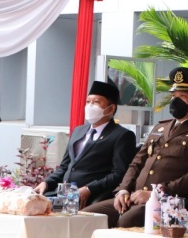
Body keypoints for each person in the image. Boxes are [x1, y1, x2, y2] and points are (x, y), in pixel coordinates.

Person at [82, 67, 188, 228]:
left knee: (126, 221)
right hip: (132, 197)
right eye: (174, 96)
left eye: (183, 96)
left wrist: (156, 194)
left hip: (166, 202)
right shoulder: (160, 128)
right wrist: (123, 190)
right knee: (87, 216)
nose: (175, 101)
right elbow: (136, 163)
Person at [35, 81, 137, 209]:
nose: (90, 106)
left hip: (91, 197)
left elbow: (119, 174)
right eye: (88, 102)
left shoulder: (122, 135)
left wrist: (89, 188)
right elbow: (65, 166)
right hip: (63, 194)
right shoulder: (78, 131)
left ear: (111, 109)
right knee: (30, 204)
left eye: (96, 102)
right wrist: (46, 182)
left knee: (42, 209)